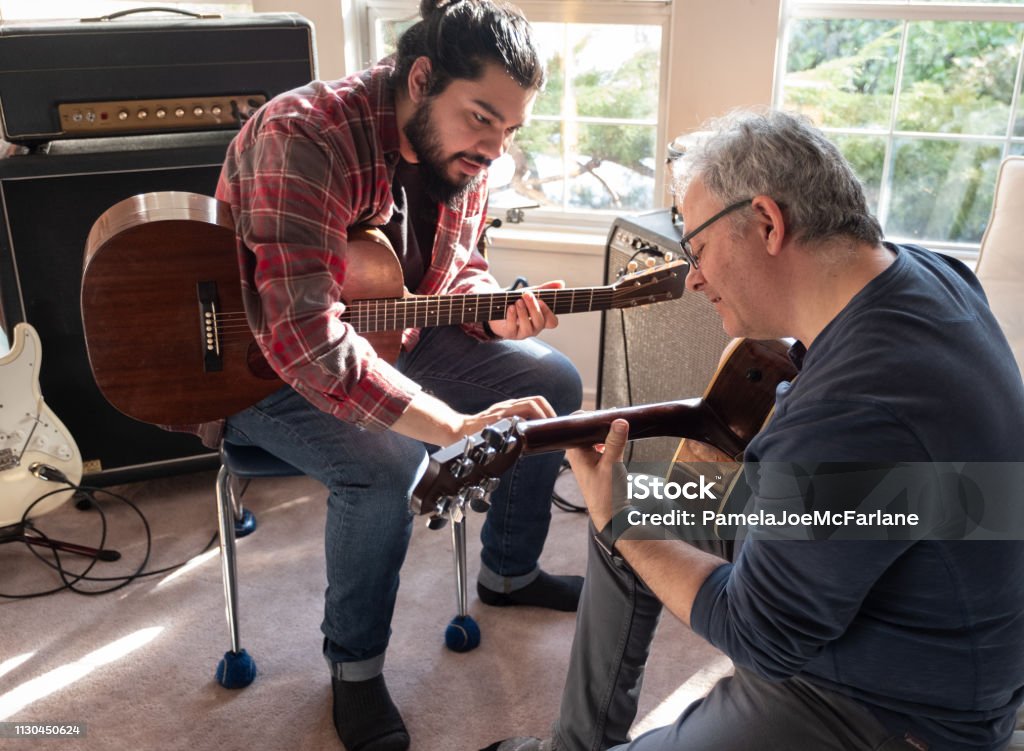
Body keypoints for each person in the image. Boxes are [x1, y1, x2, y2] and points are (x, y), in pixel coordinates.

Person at [485, 109, 1024, 751]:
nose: (693, 276)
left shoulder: (855, 409)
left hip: (893, 708)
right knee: (638, 501)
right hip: (873, 526)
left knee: (624, 520)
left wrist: (617, 518)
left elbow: (758, 634)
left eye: (698, 248)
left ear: (767, 222)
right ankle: (575, 743)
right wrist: (629, 509)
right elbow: (849, 478)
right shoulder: (930, 275)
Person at [189, 1, 584, 749]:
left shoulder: (463, 154)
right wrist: (447, 425)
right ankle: (357, 667)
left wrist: (491, 313)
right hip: (253, 363)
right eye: (482, 118)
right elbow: (306, 337)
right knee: (389, 460)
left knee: (554, 381)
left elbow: (455, 273)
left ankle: (509, 571)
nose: (495, 148)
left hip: (390, 336)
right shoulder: (302, 136)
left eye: (510, 129)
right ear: (424, 77)